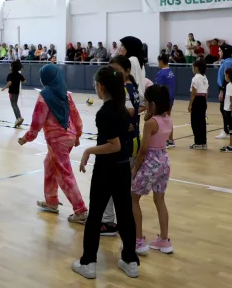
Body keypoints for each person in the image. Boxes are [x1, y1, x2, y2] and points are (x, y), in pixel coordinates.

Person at [72, 66, 139, 280]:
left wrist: (88, 150)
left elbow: (114, 145)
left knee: (95, 216)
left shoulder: (105, 113)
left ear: (101, 87)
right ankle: (130, 260)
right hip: (122, 169)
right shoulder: (123, 110)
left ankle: (88, 262)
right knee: (125, 215)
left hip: (106, 170)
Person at [18, 64, 88, 223]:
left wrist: (26, 138)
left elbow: (37, 123)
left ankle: (81, 210)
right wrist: (77, 135)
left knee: (64, 174)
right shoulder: (66, 93)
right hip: (69, 136)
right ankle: (51, 201)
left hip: (57, 141)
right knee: (49, 164)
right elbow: (76, 117)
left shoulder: (45, 96)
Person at [101, 55, 141, 237]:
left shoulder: (122, 90)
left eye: (116, 69)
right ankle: (128, 228)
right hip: (133, 140)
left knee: (110, 184)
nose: (113, 73)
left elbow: (132, 110)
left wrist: (123, 118)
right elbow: (140, 107)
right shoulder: (133, 87)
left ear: (127, 71)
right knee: (124, 186)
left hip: (124, 142)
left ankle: (109, 222)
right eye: (111, 69)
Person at [131, 85, 174, 255]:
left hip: (150, 163)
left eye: (147, 102)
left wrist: (135, 168)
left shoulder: (150, 123)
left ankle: (138, 240)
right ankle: (164, 240)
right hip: (164, 162)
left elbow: (143, 150)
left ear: (153, 104)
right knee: (160, 200)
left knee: (133, 199)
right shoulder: (168, 119)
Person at [155, 54, 176, 148]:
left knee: (163, 119)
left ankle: (168, 140)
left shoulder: (161, 73)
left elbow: (158, 88)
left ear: (161, 61)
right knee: (168, 118)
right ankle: (170, 139)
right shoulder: (171, 72)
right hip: (171, 97)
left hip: (164, 98)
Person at [189, 60, 209, 150]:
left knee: (195, 122)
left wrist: (190, 104)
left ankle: (197, 142)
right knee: (202, 121)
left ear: (196, 68)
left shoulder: (195, 78)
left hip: (197, 100)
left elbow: (193, 93)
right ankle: (203, 142)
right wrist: (205, 102)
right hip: (203, 99)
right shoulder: (205, 78)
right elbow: (206, 92)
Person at [215, 46, 232, 140]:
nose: (219, 52)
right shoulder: (225, 61)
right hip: (223, 87)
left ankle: (227, 130)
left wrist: (222, 90)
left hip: (225, 88)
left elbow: (226, 77)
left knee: (224, 109)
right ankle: (227, 129)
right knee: (223, 109)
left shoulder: (228, 62)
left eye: (220, 51)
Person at [2, 59, 26, 127]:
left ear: (13, 67)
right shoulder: (19, 74)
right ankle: (20, 117)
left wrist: (4, 88)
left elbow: (9, 82)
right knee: (16, 104)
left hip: (12, 92)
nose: (10, 66)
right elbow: (24, 81)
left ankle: (18, 118)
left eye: (10, 65)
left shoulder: (10, 74)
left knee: (13, 105)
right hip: (17, 92)